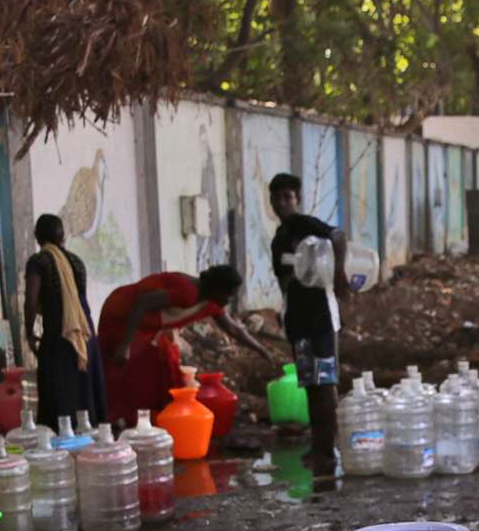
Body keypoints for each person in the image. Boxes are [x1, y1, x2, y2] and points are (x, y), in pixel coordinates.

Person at [97, 264, 246, 424]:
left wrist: (262, 351)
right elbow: (142, 302)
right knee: (126, 368)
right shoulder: (188, 293)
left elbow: (234, 329)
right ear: (218, 289)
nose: (230, 300)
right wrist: (125, 345)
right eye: (229, 295)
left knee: (160, 364)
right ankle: (116, 420)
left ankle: (142, 419)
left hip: (143, 325)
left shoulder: (208, 302)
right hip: (121, 315)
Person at [268, 173, 348, 461]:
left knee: (325, 383)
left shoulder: (305, 226)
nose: (281, 203)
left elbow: (338, 236)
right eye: (276, 198)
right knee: (310, 384)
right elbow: (284, 280)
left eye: (287, 197)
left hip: (321, 317)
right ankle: (320, 444)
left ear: (297, 199)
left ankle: (329, 447)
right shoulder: (278, 239)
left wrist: (339, 275)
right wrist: (284, 310)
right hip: (298, 320)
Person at [23, 214, 105, 428]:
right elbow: (77, 301)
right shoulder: (77, 262)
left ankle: (60, 447)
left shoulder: (39, 261)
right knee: (83, 394)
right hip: (85, 335)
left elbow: (31, 302)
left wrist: (29, 333)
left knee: (57, 396)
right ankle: (90, 443)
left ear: (37, 237)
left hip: (60, 337)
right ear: (63, 237)